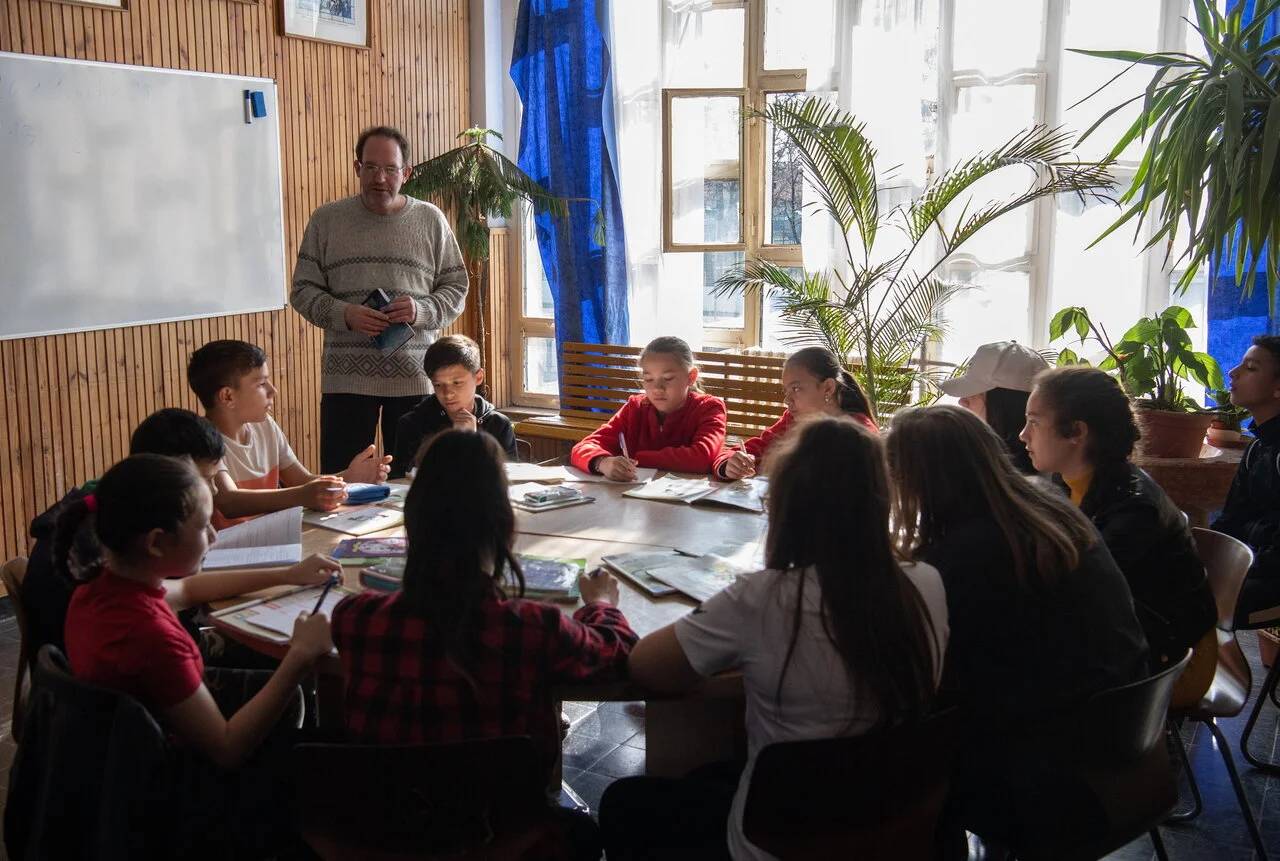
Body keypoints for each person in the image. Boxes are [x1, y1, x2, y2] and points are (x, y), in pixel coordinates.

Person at [598, 417, 949, 861]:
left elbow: (645, 667)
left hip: (779, 839)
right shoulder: (927, 582)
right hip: (888, 821)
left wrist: (606, 609)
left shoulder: (764, 597)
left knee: (624, 802)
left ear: (783, 502)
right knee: (710, 772)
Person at [330, 430, 635, 860]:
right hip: (504, 839)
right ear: (503, 523)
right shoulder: (533, 627)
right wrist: (601, 605)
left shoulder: (355, 619)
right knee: (583, 832)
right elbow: (616, 653)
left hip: (387, 835)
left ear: (412, 519)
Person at [887, 405, 1147, 852]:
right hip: (1123, 740)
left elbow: (908, 657)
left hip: (1042, 776)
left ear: (916, 481)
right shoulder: (1043, 506)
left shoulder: (963, 555)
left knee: (891, 745)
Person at [58, 453, 336, 856]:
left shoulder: (102, 585)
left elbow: (187, 590)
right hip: (179, 795)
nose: (215, 535)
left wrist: (288, 574)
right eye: (204, 526)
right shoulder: (149, 637)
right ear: (156, 541)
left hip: (119, 766)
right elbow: (227, 749)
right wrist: (299, 655)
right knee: (323, 751)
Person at [22, 408, 340, 665]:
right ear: (171, 475)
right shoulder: (124, 555)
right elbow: (223, 743)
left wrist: (288, 574)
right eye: (205, 480)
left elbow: (183, 589)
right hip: (120, 702)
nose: (213, 492)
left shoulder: (109, 510)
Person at [1023, 366, 1217, 704]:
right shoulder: (1065, 482)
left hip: (1172, 659)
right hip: (1122, 634)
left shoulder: (1135, 510)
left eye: (1034, 422)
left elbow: (1083, 598)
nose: (1023, 435)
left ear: (1077, 432)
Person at [289, 125, 470, 474]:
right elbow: (302, 290)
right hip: (346, 379)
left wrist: (421, 310)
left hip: (415, 377)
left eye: (390, 169)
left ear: (406, 172)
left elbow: (456, 287)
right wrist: (344, 314)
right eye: (371, 167)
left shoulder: (431, 220)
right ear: (358, 168)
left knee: (420, 479)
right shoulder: (327, 220)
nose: (380, 178)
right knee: (344, 483)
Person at [187, 339, 390, 529]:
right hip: (229, 551)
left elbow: (302, 481)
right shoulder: (202, 439)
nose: (272, 390)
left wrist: (347, 477)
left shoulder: (265, 425)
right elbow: (230, 502)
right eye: (261, 384)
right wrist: (302, 496)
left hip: (273, 535)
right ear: (228, 396)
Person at [570, 336, 728, 480]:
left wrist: (638, 458)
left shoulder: (709, 408)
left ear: (691, 377)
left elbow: (702, 458)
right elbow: (582, 447)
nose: (657, 388)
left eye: (668, 378)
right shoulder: (635, 407)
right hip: (636, 502)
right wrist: (602, 462)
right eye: (648, 379)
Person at [714, 346, 878, 480]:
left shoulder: (860, 433)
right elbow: (744, 451)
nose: (787, 400)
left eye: (796, 389)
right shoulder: (792, 421)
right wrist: (729, 464)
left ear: (828, 388)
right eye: (786, 390)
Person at [1213, 335, 1280, 627]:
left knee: (1183, 601)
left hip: (1270, 577)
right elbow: (1229, 522)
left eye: (1251, 368)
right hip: (1252, 567)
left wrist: (1235, 569)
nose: (1233, 372)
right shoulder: (1256, 447)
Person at [391, 334, 517, 478]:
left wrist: (472, 442)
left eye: (457, 383)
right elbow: (404, 478)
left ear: (478, 377)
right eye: (438, 385)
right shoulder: (412, 424)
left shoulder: (498, 424)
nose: (448, 394)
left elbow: (507, 480)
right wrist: (456, 443)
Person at [940, 341, 1049, 474]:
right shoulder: (976, 455)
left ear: (1006, 404)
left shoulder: (1050, 476)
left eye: (975, 393)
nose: (962, 402)